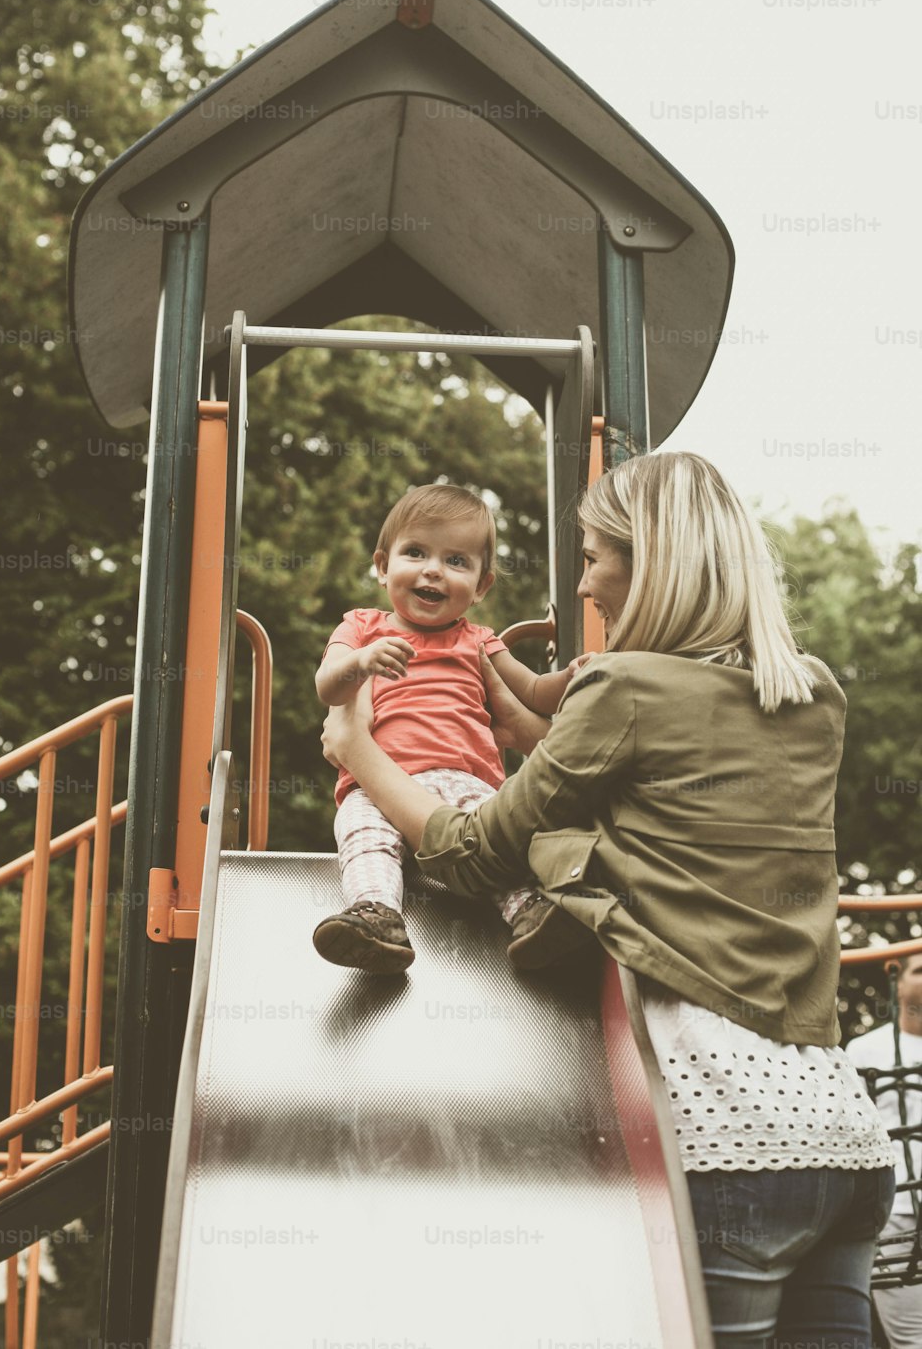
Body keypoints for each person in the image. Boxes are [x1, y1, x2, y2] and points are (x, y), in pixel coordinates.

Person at [322, 450, 897, 1349]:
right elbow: (682, 785)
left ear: (649, 561)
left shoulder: (620, 688)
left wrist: (359, 751)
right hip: (845, 1139)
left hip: (722, 1134)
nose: (585, 581)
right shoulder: (811, 691)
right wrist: (534, 731)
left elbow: (471, 853)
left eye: (594, 557)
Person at [313, 482, 587, 974]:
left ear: (481, 587)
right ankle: (377, 917)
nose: (433, 570)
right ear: (382, 566)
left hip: (465, 779)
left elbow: (533, 692)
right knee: (361, 832)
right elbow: (327, 686)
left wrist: (568, 679)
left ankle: (530, 912)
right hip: (377, 784)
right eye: (415, 552)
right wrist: (360, 661)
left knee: (501, 839)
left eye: (456, 561)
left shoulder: (480, 641)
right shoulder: (362, 626)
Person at [847, 953, 922, 1349]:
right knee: (913, 1336)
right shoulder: (865, 1051)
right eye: (920, 970)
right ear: (896, 980)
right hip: (899, 1210)